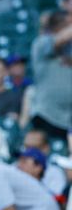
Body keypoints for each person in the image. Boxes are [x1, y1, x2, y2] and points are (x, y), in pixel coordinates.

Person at [30, 11, 72, 144]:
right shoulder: (41, 43)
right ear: (58, 27)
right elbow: (61, 39)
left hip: (68, 118)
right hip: (47, 115)